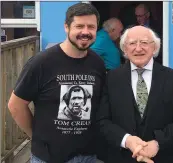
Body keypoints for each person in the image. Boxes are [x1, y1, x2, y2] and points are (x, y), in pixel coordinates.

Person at [8, 3, 106, 163]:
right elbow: (16, 105)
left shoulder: (98, 63)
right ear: (66, 27)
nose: (85, 32)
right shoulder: (41, 62)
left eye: (91, 27)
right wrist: (37, 137)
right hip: (48, 157)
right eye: (79, 26)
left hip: (87, 155)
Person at [96, 25, 173, 163]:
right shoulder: (111, 79)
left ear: (155, 48)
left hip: (164, 157)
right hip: (121, 158)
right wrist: (127, 140)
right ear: (125, 49)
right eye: (132, 43)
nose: (138, 48)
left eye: (144, 43)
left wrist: (157, 143)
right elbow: (102, 120)